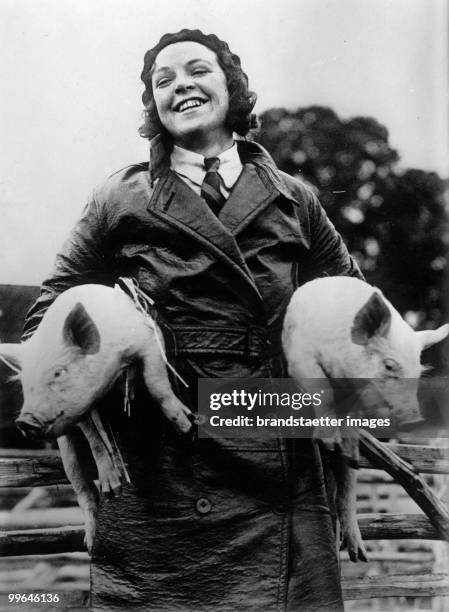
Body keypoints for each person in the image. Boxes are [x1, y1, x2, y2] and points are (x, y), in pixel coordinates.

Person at [24, 29, 362, 612]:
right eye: (163, 80)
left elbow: (358, 314)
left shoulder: (295, 199)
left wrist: (337, 407)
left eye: (198, 70)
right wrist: (104, 364)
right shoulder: (118, 197)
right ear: (153, 106)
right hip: (162, 476)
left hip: (278, 459)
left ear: (231, 87)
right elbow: (43, 322)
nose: (181, 84)